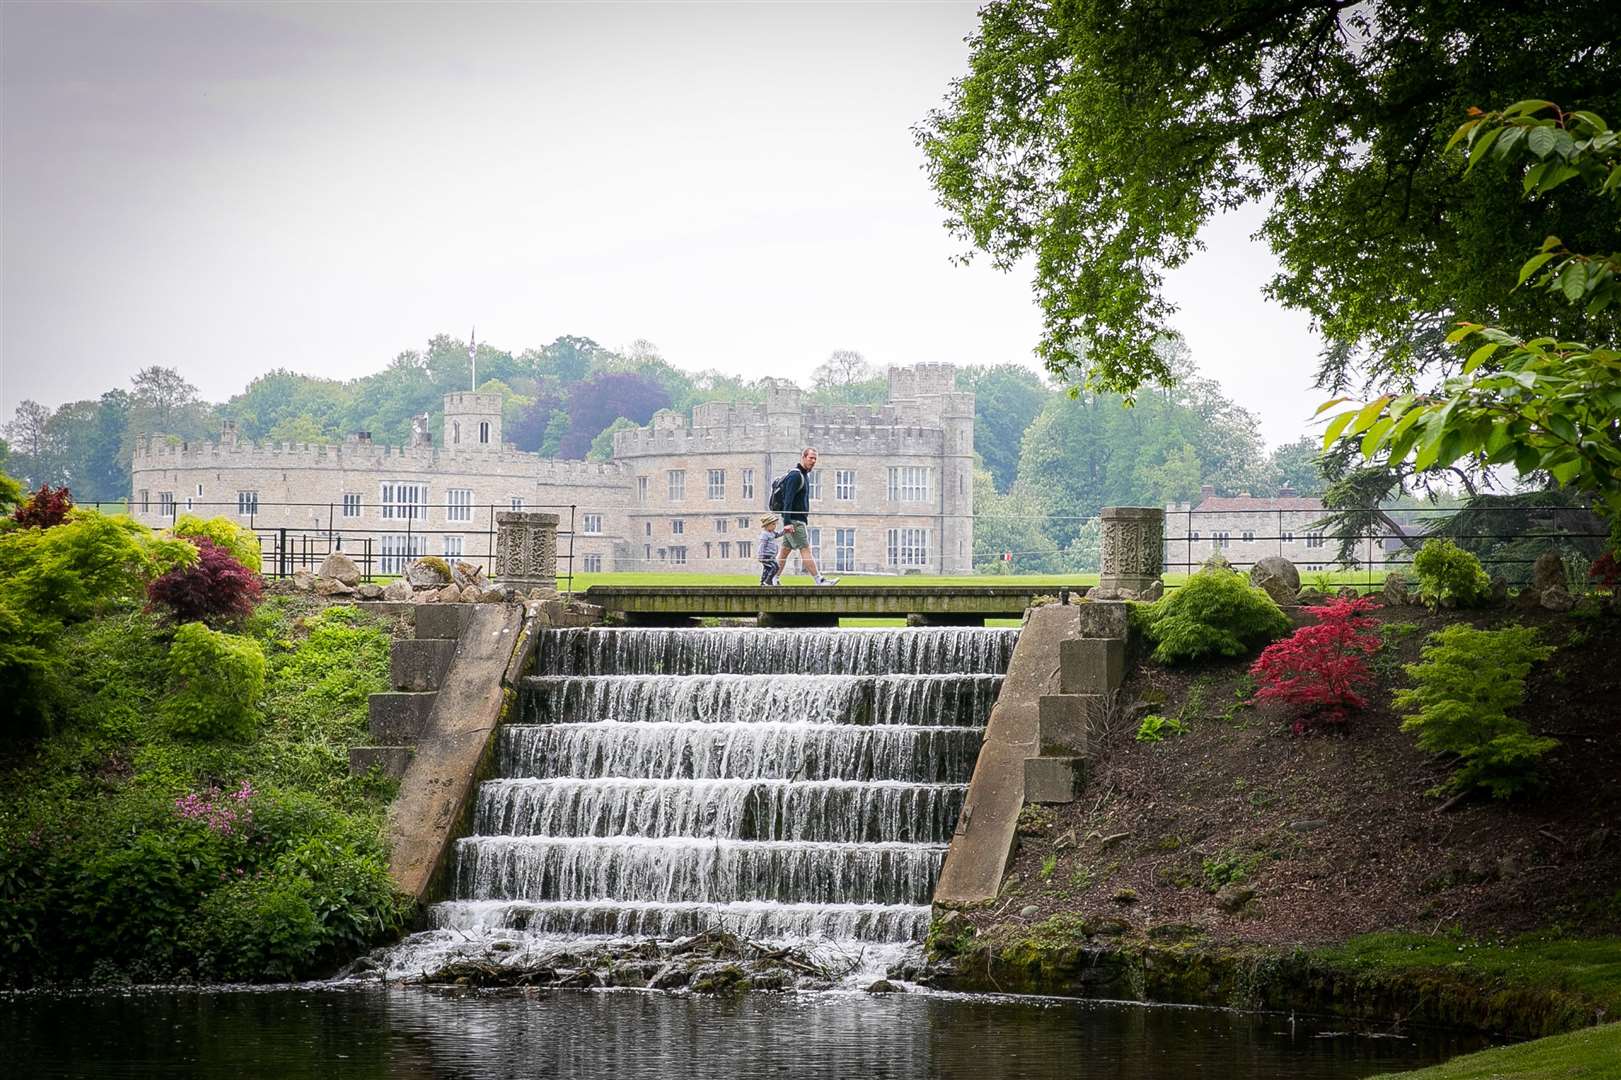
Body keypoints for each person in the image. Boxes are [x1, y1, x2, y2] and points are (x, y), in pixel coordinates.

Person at [773, 446, 838, 586]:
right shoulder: (795, 476)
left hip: (798, 520)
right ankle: (819, 580)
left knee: (784, 552)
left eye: (815, 459)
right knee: (805, 549)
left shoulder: (804, 476)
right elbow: (788, 500)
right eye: (811, 458)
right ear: (803, 457)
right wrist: (787, 522)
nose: (813, 461)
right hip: (795, 522)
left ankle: (772, 578)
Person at [757, 514, 786, 586]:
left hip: (771, 556)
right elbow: (762, 545)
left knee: (767, 569)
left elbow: (778, 535)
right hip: (766, 556)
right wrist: (760, 555)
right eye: (773, 524)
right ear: (767, 525)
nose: (775, 526)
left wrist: (785, 531)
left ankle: (762, 582)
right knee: (775, 567)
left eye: (775, 524)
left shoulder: (772, 533)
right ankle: (768, 581)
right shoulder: (765, 534)